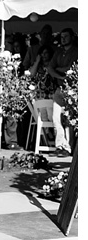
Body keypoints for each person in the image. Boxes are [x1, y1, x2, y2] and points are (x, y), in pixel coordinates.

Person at [46, 28, 78, 157]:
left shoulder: (76, 51)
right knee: (56, 117)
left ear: (72, 37)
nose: (63, 39)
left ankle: (69, 147)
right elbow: (50, 68)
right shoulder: (59, 52)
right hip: (60, 87)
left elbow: (72, 68)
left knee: (70, 119)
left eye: (66, 36)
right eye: (62, 36)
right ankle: (60, 145)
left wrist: (58, 70)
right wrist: (60, 75)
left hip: (73, 89)